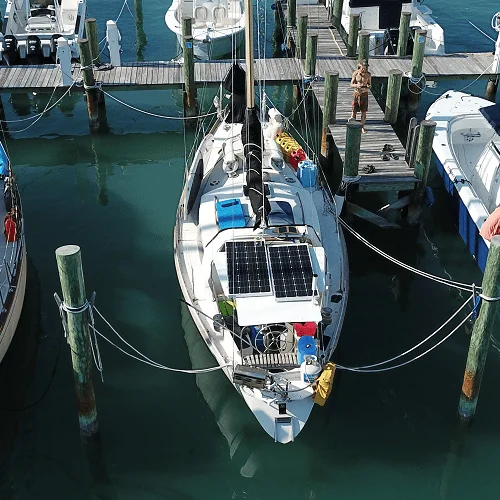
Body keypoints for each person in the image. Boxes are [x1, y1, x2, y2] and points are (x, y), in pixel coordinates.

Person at [350, 60, 372, 134]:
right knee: (354, 110)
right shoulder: (355, 73)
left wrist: (368, 86)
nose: (364, 70)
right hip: (357, 93)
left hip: (364, 94)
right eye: (362, 68)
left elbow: (369, 84)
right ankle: (353, 125)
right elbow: (351, 84)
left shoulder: (368, 75)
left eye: (365, 68)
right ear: (359, 67)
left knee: (364, 112)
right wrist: (356, 85)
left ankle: (362, 127)